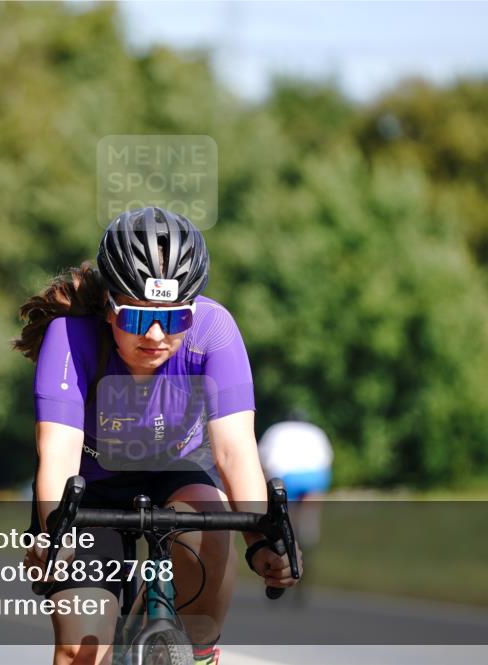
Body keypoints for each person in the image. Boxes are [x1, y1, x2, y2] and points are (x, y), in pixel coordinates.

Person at [15, 207, 301, 665]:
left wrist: (262, 540)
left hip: (175, 474)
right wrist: (55, 530)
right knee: (80, 650)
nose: (154, 335)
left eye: (173, 321)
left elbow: (235, 452)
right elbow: (58, 454)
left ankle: (200, 651)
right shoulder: (69, 337)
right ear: (108, 307)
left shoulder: (214, 330)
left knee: (212, 517)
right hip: (89, 488)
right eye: (135, 317)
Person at [257, 410, 333, 549]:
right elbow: (327, 459)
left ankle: (289, 537)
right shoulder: (316, 431)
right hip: (315, 477)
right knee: (310, 508)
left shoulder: (275, 430)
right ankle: (309, 533)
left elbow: (262, 459)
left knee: (287, 514)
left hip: (287, 477)